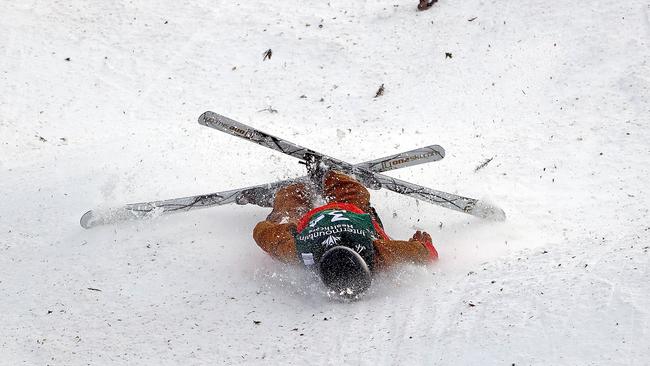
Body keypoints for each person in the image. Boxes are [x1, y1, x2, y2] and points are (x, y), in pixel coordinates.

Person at [253, 171, 438, 296]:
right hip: (351, 209)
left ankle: (300, 188)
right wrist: (426, 248)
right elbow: (415, 252)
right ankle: (329, 174)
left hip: (323, 215)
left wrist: (275, 224)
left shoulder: (300, 251)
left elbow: (264, 235)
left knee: (288, 208)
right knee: (354, 191)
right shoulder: (376, 252)